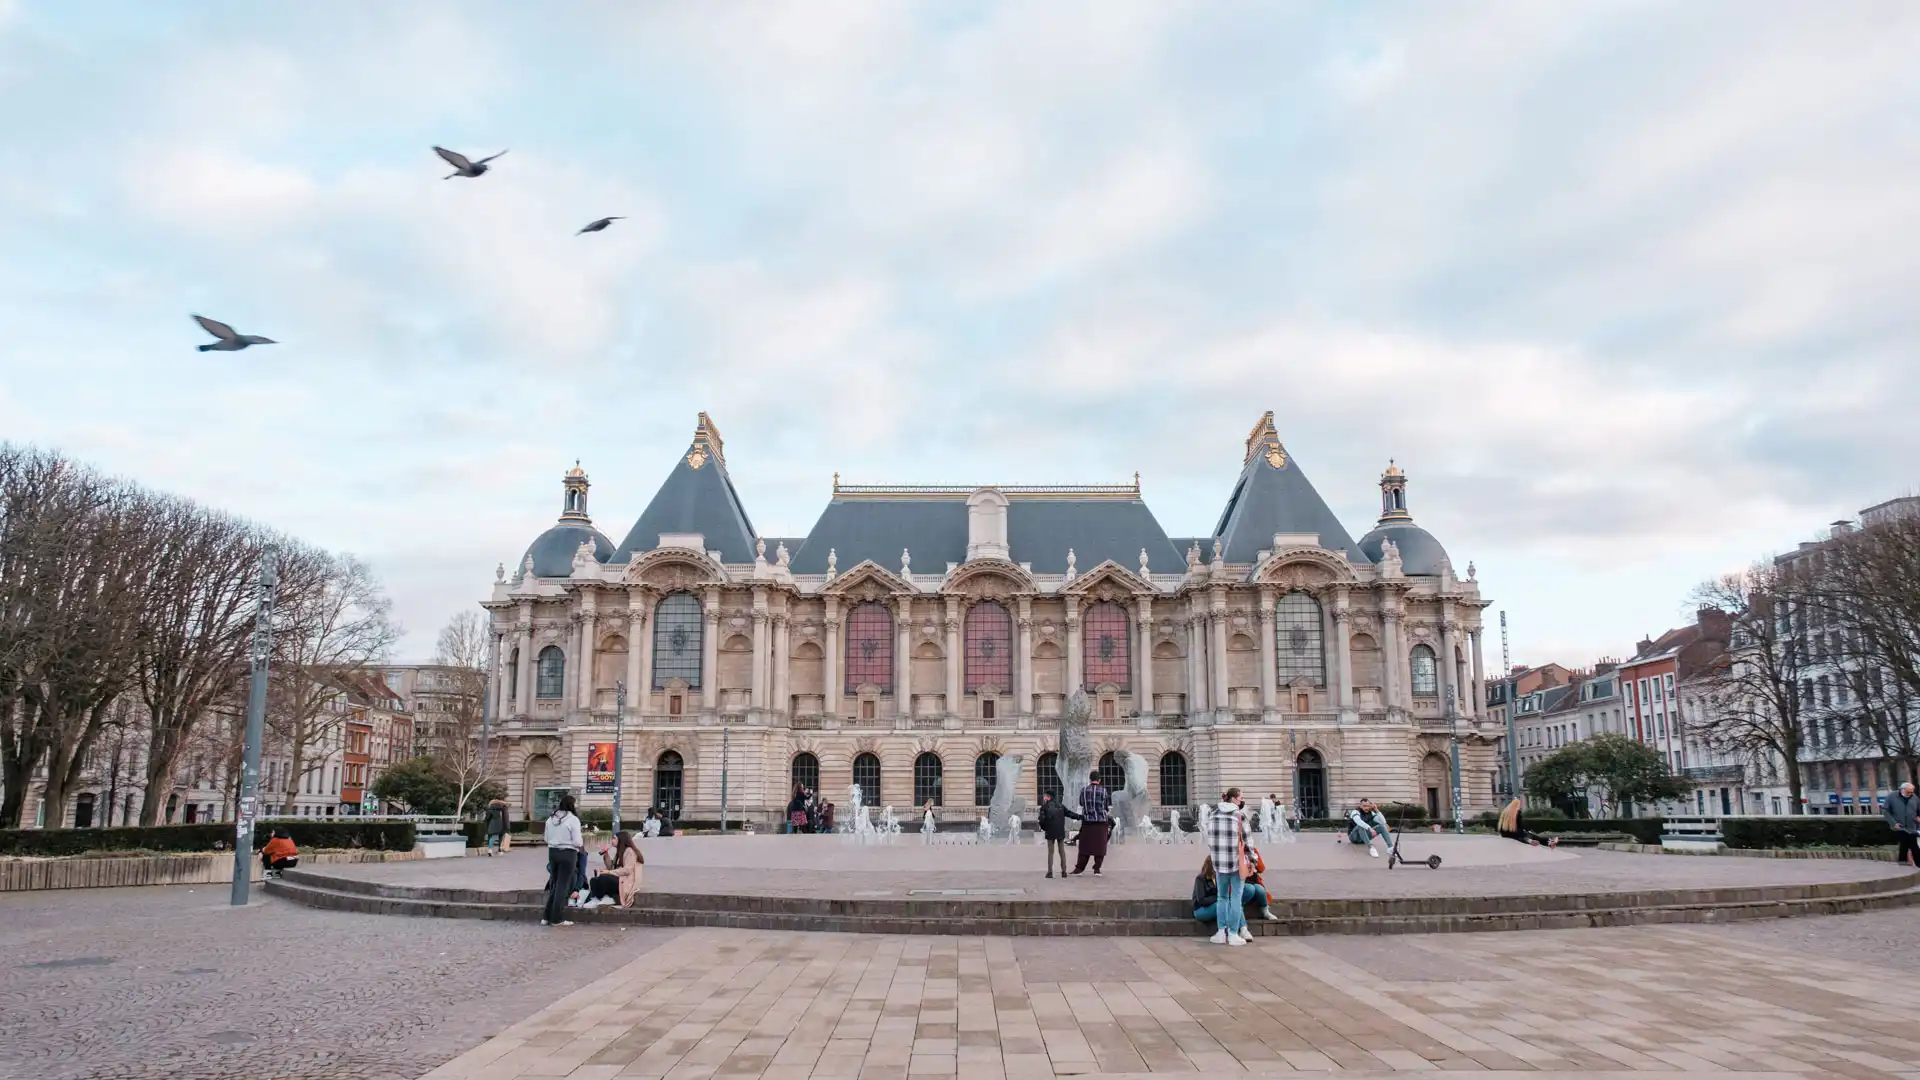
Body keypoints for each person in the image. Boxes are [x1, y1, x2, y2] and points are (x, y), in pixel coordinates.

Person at [1205, 787, 1249, 945]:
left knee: (1222, 897)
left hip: (1219, 863)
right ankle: (1233, 934)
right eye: (1241, 798)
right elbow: (1248, 841)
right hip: (1236, 863)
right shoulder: (1239, 816)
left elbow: (1209, 839)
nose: (1242, 801)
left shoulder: (1213, 814)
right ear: (1234, 799)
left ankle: (1220, 932)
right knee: (1236, 898)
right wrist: (1253, 860)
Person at [1191, 853, 1274, 927]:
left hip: (1215, 905)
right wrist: (1220, 898)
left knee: (1231, 904)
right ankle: (1240, 928)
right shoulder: (1200, 879)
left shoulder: (1218, 878)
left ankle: (1240, 928)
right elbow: (1201, 900)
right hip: (1201, 910)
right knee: (1226, 905)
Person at [542, 795, 583, 927]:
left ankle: (546, 916)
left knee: (555, 883)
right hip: (568, 852)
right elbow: (577, 841)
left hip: (552, 852)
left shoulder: (551, 818)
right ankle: (556, 918)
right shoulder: (573, 819)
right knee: (563, 886)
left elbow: (546, 838)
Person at [586, 829, 645, 908]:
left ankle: (609, 898)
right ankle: (596, 898)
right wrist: (606, 854)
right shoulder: (620, 852)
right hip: (619, 878)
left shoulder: (630, 851)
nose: (612, 841)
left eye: (614, 838)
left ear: (621, 840)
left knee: (604, 877)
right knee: (594, 880)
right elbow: (611, 867)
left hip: (626, 881)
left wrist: (609, 872)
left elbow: (627, 870)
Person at [1070, 770, 1112, 876]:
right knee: (1100, 846)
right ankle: (1097, 869)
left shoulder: (1084, 790)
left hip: (1087, 822)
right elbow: (1106, 806)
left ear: (1090, 779)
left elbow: (1081, 803)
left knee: (1084, 846)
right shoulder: (1103, 791)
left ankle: (1079, 868)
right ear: (1099, 780)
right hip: (1101, 822)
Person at [1885, 781, 1920, 867]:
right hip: (1899, 826)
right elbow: (1885, 810)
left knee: (1905, 843)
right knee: (1913, 844)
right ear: (1902, 790)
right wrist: (1893, 823)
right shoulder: (1892, 796)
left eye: (1912, 792)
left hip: (1912, 825)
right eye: (1908, 792)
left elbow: (1918, 810)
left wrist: (1918, 817)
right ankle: (1917, 862)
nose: (1910, 794)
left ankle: (1902, 860)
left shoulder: (1914, 798)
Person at [1037, 792, 1070, 878]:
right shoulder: (1061, 806)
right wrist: (1080, 817)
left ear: (1049, 797)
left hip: (1050, 831)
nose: (1044, 797)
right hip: (1060, 831)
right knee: (1062, 851)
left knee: (1050, 852)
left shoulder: (1044, 807)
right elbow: (1070, 814)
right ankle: (1064, 871)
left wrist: (1045, 828)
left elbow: (1041, 820)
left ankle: (1050, 872)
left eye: (1045, 796)